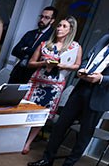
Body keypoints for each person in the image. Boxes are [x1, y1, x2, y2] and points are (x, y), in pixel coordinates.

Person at [29, 10, 109, 166]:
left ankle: (68, 165)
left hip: (101, 93)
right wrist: (82, 68)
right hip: (82, 87)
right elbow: (89, 58)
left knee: (85, 133)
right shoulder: (106, 38)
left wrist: (102, 79)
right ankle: (47, 158)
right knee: (60, 125)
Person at [21, 17, 82, 154]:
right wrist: (44, 63)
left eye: (64, 26)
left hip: (55, 86)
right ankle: (18, 139)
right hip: (37, 83)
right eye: (59, 25)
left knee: (42, 115)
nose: (59, 28)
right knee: (26, 111)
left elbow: (77, 66)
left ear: (70, 30)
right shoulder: (45, 44)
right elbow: (31, 63)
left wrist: (64, 66)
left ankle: (28, 143)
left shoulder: (75, 47)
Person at [8, 7, 57, 84]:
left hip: (34, 76)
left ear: (52, 20)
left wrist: (25, 49)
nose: (42, 20)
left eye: (46, 17)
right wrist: (33, 53)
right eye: (41, 16)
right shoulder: (30, 34)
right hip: (18, 73)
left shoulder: (52, 38)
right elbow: (15, 51)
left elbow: (43, 56)